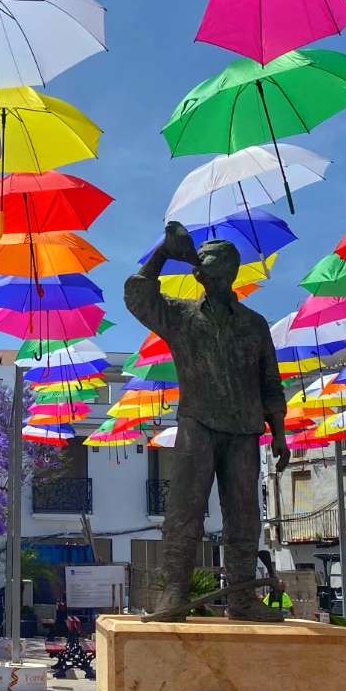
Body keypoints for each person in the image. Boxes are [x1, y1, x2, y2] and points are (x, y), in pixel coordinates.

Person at [125, 223, 289, 621]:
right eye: (206, 265)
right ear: (199, 274)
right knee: (184, 510)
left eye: (219, 265)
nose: (211, 271)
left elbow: (270, 381)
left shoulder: (254, 324)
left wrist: (279, 432)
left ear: (231, 273)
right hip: (198, 424)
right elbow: (137, 295)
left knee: (245, 515)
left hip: (245, 429)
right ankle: (175, 592)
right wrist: (164, 251)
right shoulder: (180, 317)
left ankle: (242, 596)